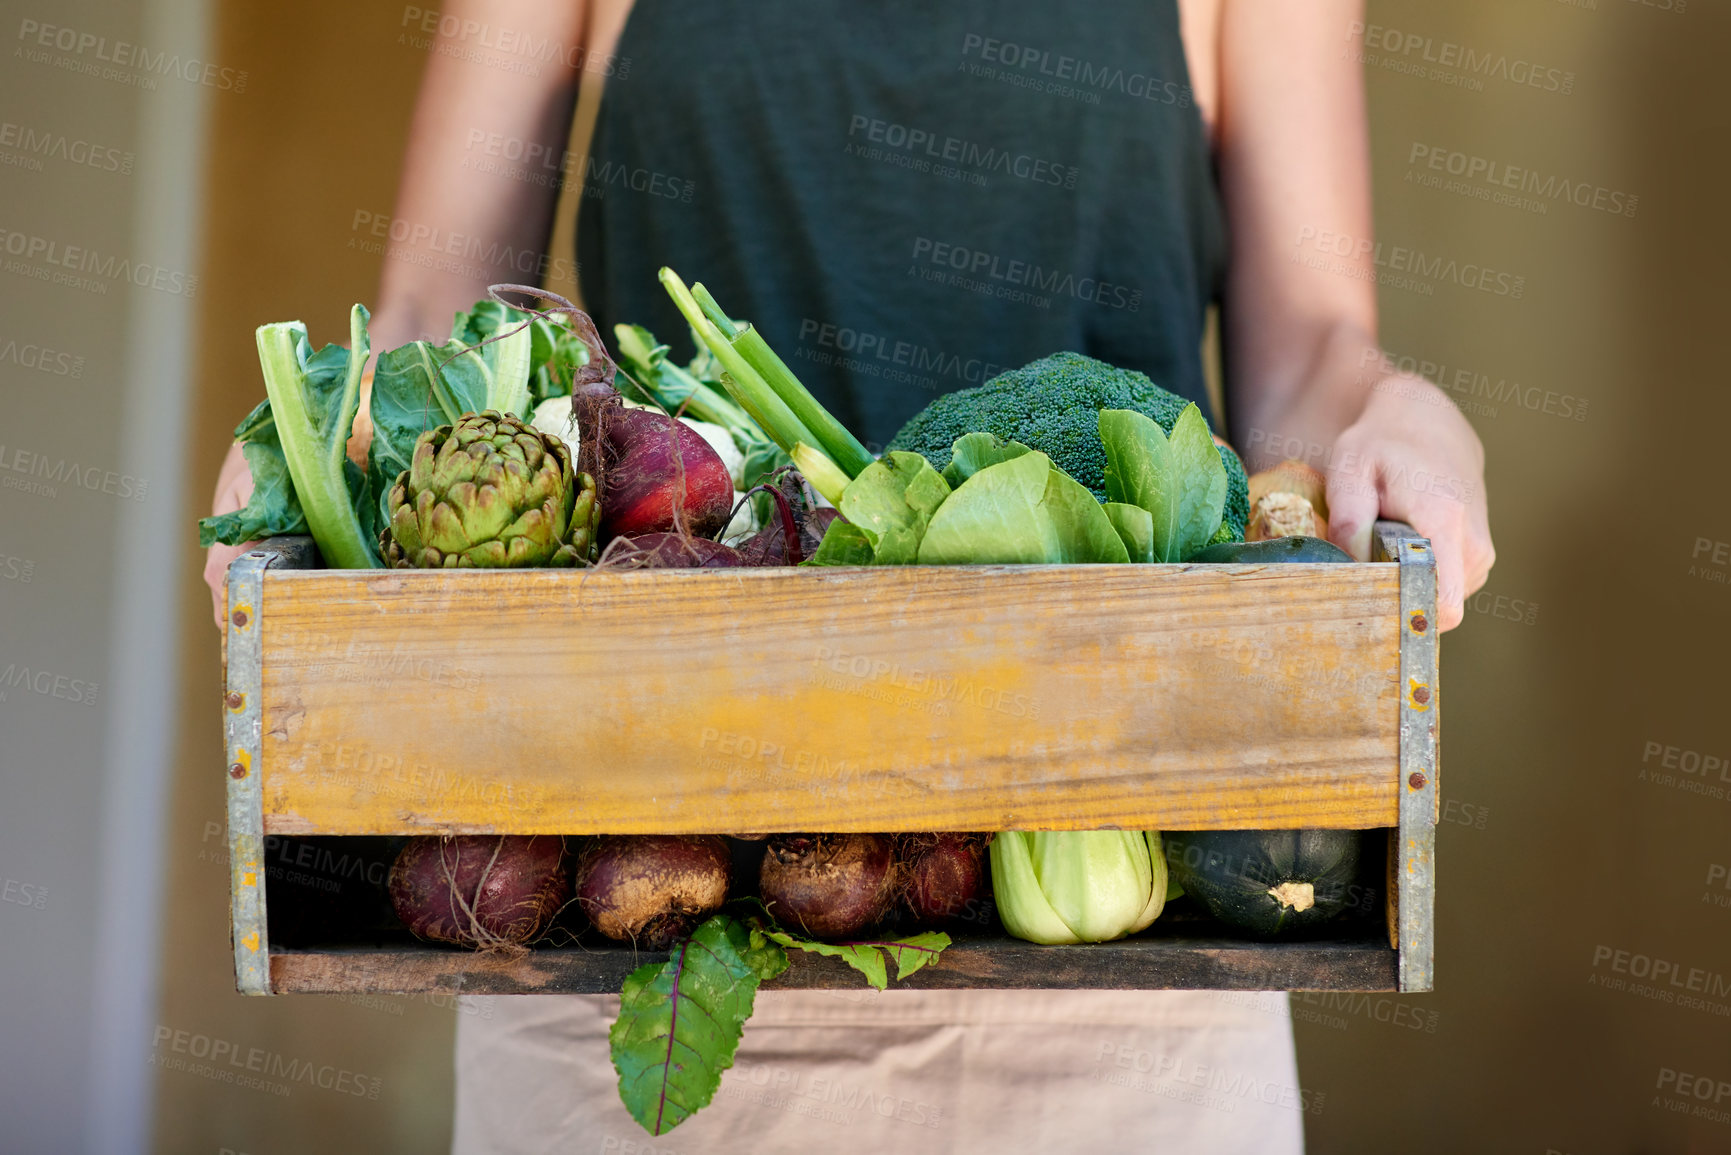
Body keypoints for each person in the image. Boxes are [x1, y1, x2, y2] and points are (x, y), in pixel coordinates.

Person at [204, 1, 1494, 1149]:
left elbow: (1312, 357)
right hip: (647, 943)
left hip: (1120, 977)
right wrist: (320, 448)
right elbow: (435, 319)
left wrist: (1402, 411)